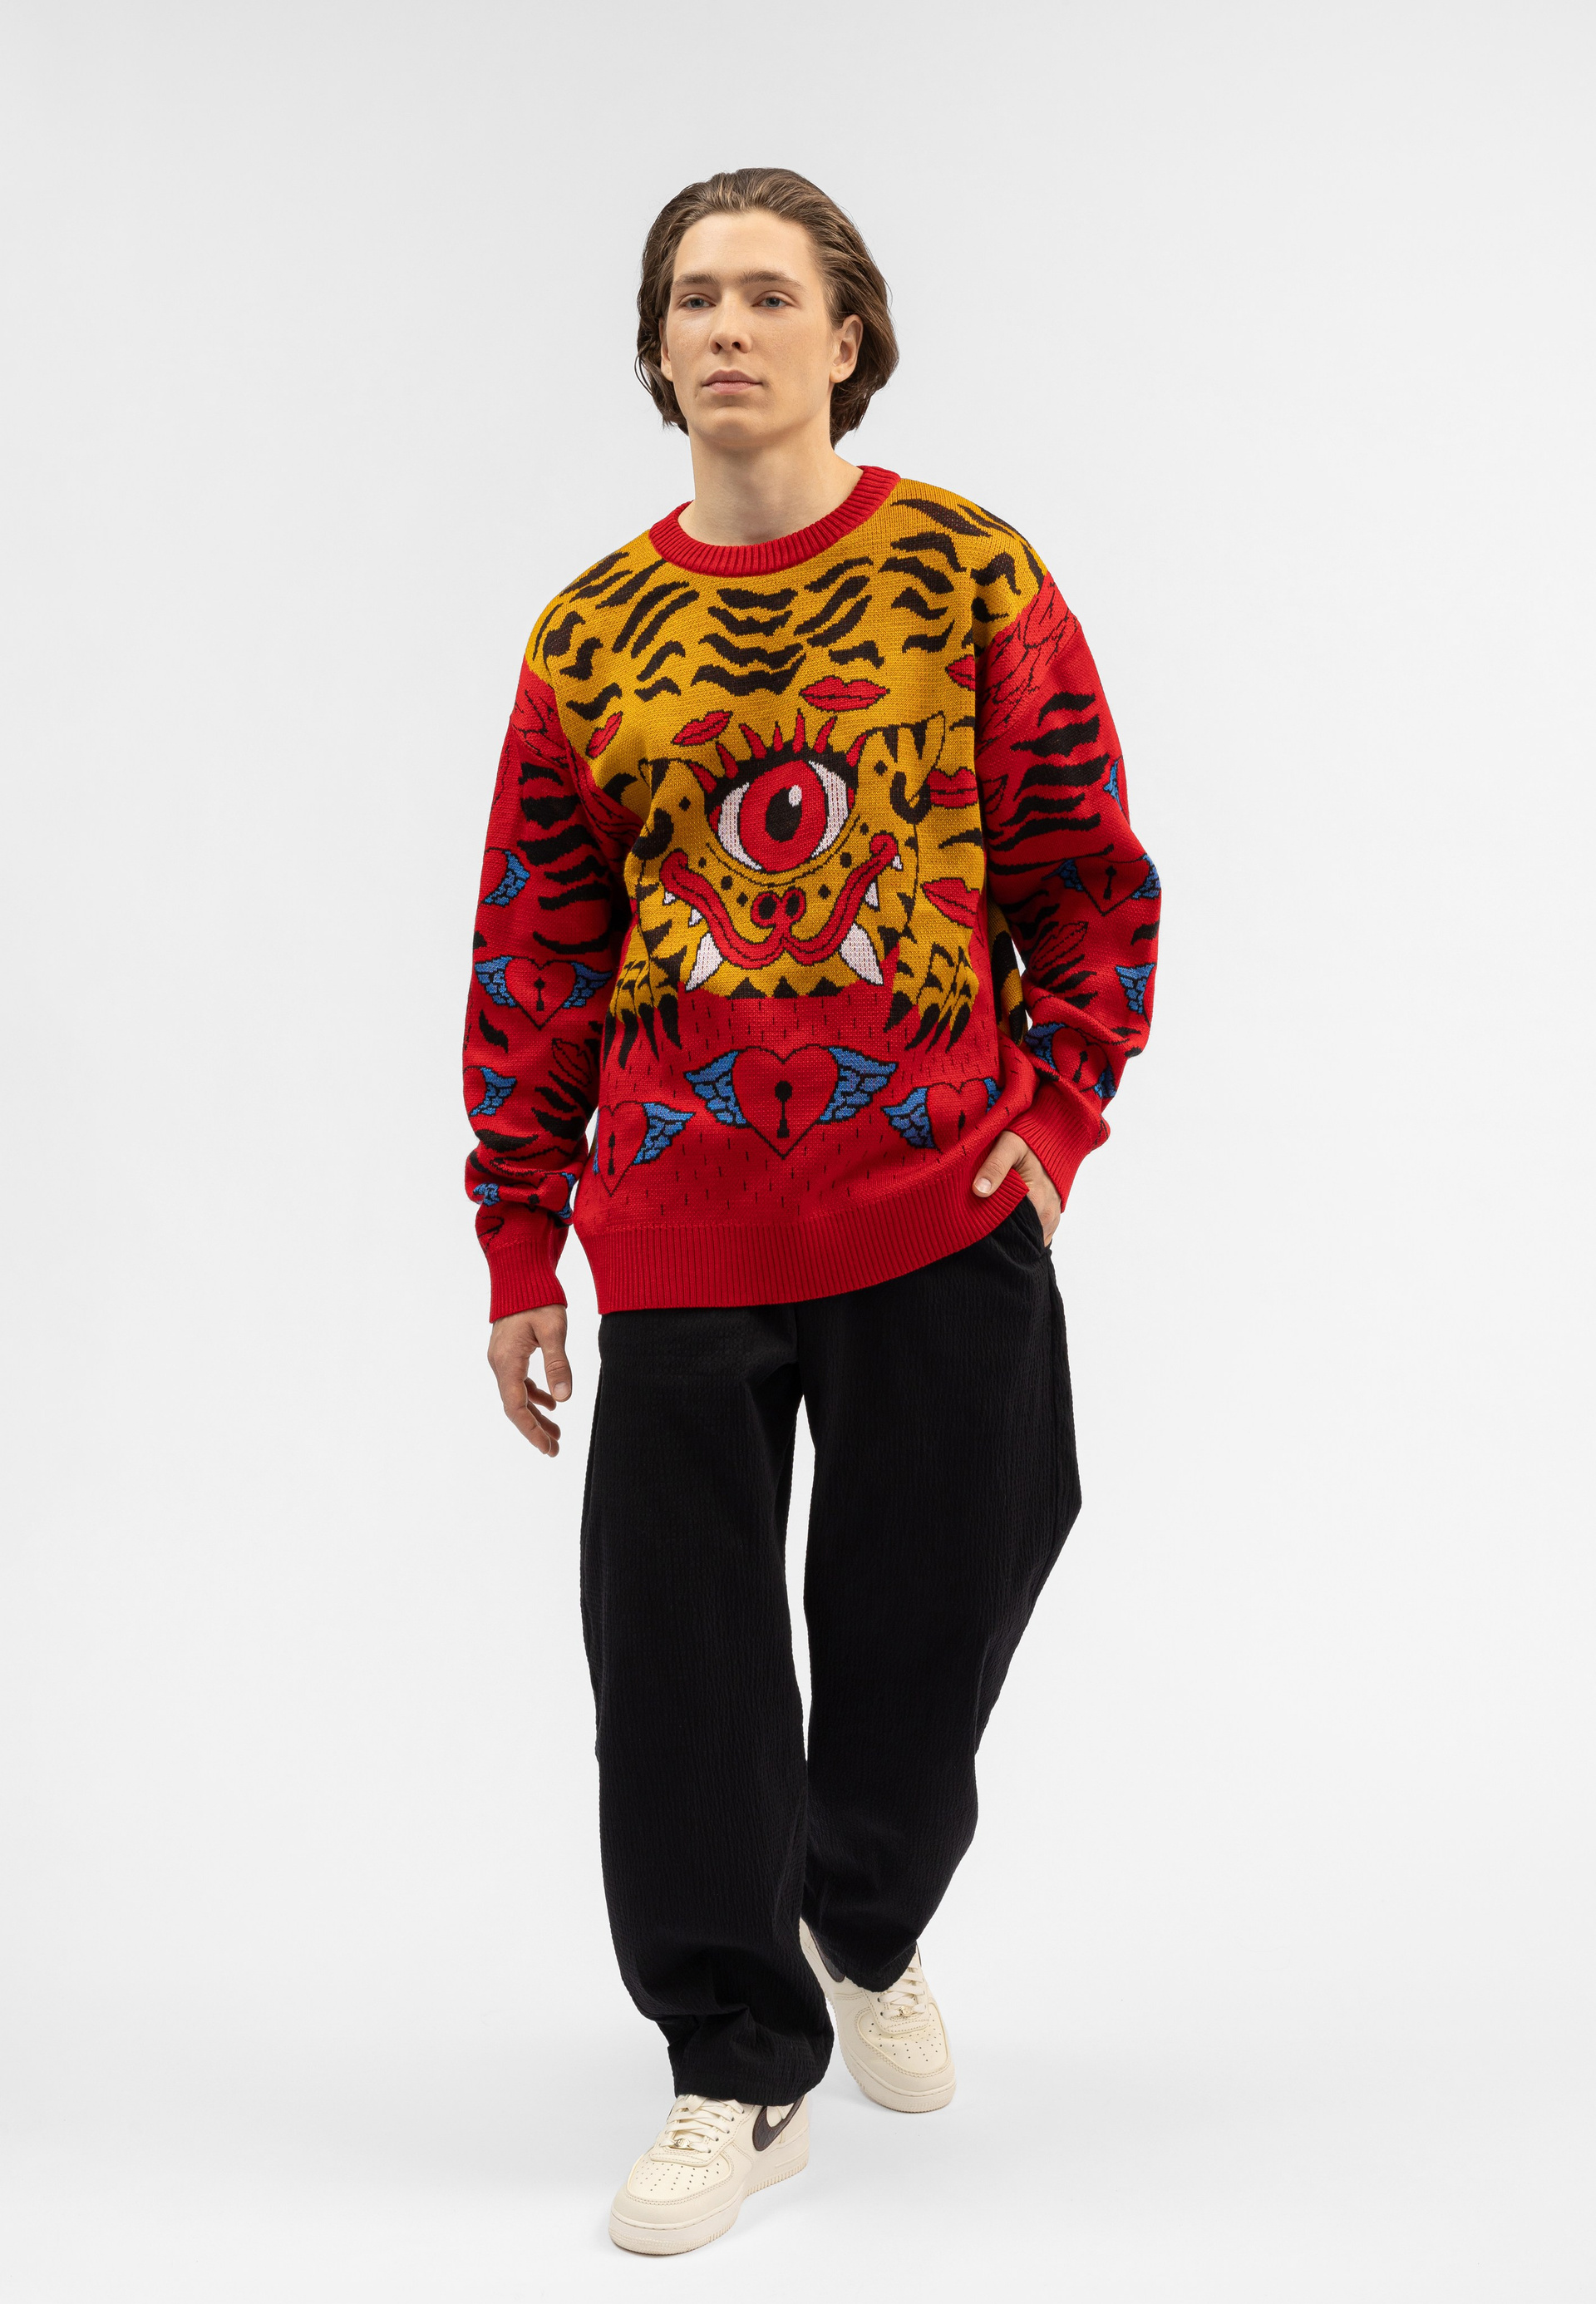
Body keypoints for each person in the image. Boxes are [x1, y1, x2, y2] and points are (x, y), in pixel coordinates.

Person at [461, 166, 1160, 2257]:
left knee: (945, 1598)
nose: (729, 329)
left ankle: (861, 1914)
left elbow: (1086, 873)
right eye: (696, 298)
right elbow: (535, 946)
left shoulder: (968, 578)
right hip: (677, 1217)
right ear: (657, 347)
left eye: (772, 295)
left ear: (849, 337)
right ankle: (734, 2061)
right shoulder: (590, 635)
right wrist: (518, 1236)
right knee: (675, 1667)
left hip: (937, 1195)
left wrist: (1057, 1121)